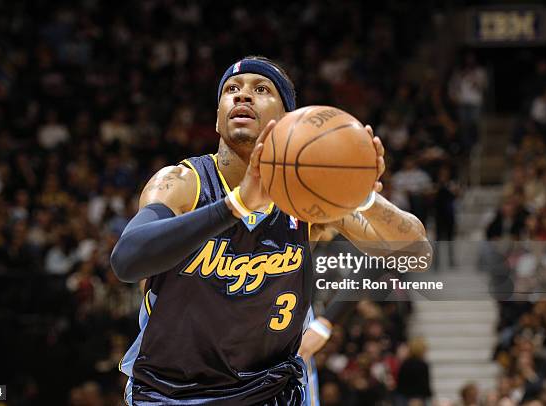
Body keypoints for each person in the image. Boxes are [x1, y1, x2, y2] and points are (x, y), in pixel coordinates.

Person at [110, 56, 431, 405]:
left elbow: (416, 255)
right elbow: (127, 260)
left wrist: (363, 194)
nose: (242, 96)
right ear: (217, 120)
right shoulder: (182, 184)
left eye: (261, 89)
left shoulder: (307, 198)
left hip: (270, 390)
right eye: (231, 89)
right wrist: (234, 207)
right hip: (170, 391)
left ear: (285, 120)